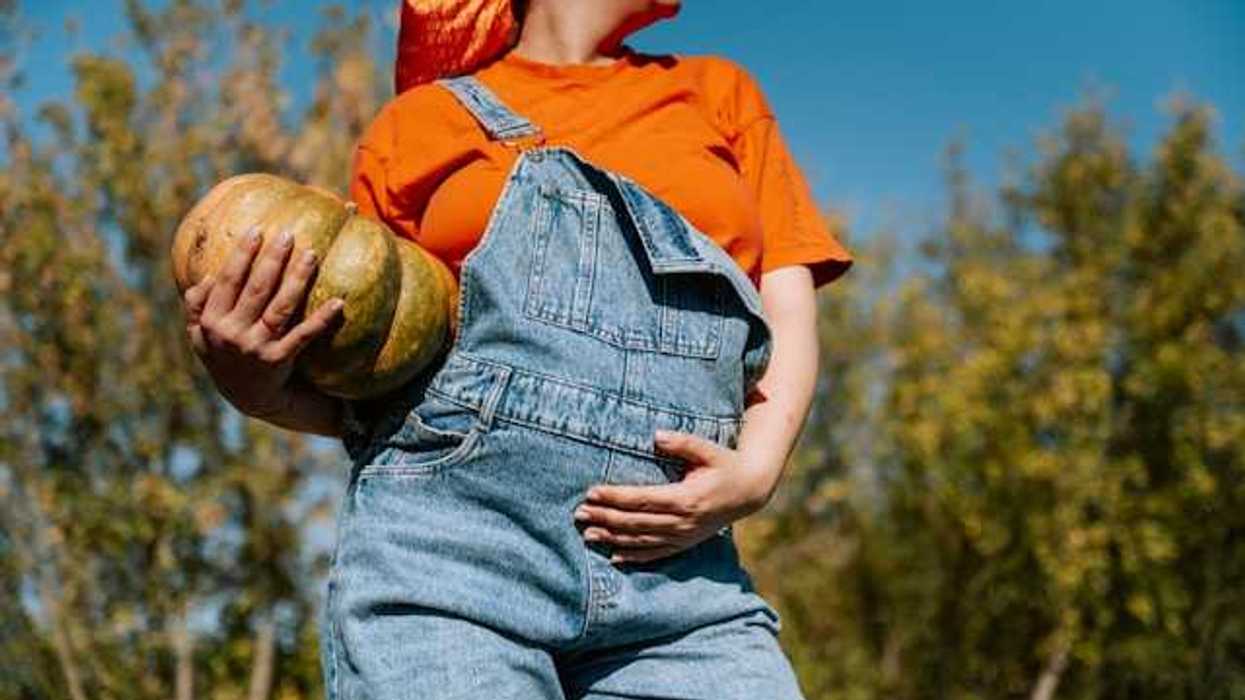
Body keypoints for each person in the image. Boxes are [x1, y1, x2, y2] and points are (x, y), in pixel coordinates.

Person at [179, 0, 853, 697]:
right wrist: (256, 388)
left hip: (680, 587)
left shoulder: (718, 93)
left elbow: (786, 297)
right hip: (449, 561)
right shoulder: (417, 124)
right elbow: (376, 391)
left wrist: (758, 471)